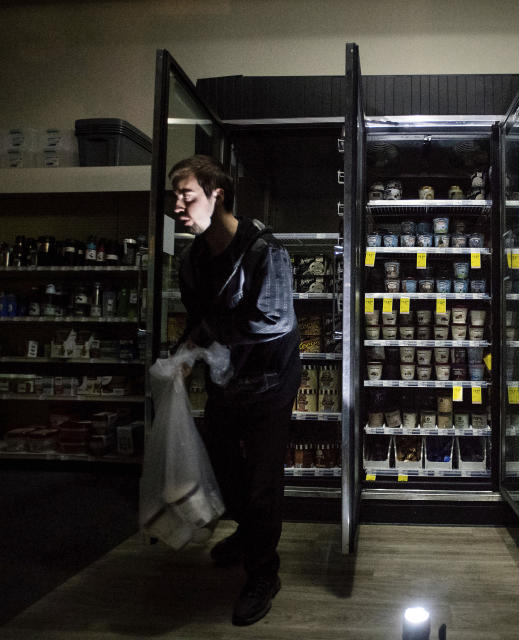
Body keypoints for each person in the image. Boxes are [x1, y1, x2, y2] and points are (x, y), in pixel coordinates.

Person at [171, 154, 300, 626]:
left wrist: (211, 339)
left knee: (262, 481)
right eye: (176, 196)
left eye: (186, 194)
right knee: (225, 469)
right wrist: (183, 354)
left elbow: (275, 320)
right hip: (226, 380)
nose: (178, 205)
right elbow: (198, 321)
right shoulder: (192, 260)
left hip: (269, 381)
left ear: (216, 193)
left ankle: (264, 573)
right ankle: (249, 534)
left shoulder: (264, 250)